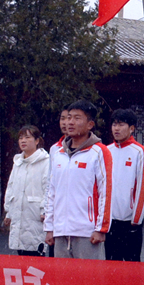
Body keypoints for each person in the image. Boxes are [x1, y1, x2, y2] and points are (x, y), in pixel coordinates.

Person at [44, 100, 110, 260]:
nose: (70, 122)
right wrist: (49, 227)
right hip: (60, 231)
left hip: (87, 232)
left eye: (77, 118)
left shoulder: (99, 152)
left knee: (89, 275)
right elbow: (51, 191)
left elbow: (106, 191)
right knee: (62, 275)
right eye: (68, 118)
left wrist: (101, 228)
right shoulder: (58, 153)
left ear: (90, 125)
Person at [105, 108, 144, 261]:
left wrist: (136, 220)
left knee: (132, 265)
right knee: (111, 264)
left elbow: (143, 186)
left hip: (129, 221)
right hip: (110, 221)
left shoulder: (139, 151)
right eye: (114, 124)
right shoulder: (106, 151)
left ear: (131, 128)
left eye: (121, 125)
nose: (116, 129)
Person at [1, 125, 49, 256]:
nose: (23, 141)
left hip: (36, 215)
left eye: (27, 137)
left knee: (35, 253)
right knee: (21, 253)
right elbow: (11, 187)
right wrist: (8, 212)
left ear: (37, 141)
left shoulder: (45, 161)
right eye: (21, 138)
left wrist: (44, 210)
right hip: (19, 215)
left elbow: (48, 188)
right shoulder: (18, 162)